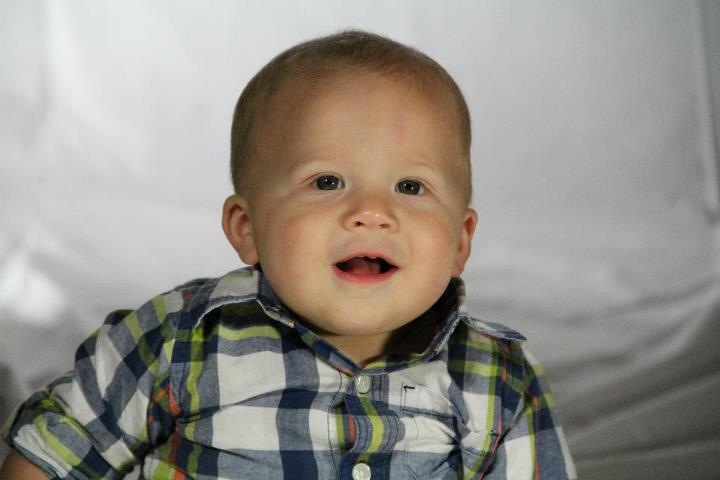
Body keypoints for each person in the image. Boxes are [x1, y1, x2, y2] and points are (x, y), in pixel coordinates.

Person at [0, 30, 576, 479]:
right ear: (247, 228)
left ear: (460, 242)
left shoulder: (496, 380)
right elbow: (55, 450)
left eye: (410, 186)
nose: (372, 212)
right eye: (327, 182)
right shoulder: (182, 342)